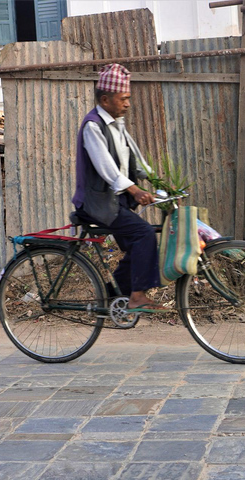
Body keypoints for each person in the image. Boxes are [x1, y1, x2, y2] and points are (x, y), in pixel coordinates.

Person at [71, 63, 166, 312]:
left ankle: (113, 295)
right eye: (123, 99)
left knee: (139, 242)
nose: (127, 104)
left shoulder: (117, 123)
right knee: (144, 233)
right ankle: (136, 296)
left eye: (128, 98)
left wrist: (159, 183)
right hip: (96, 204)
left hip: (115, 203)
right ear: (105, 99)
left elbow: (135, 159)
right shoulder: (93, 125)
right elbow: (107, 168)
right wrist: (135, 190)